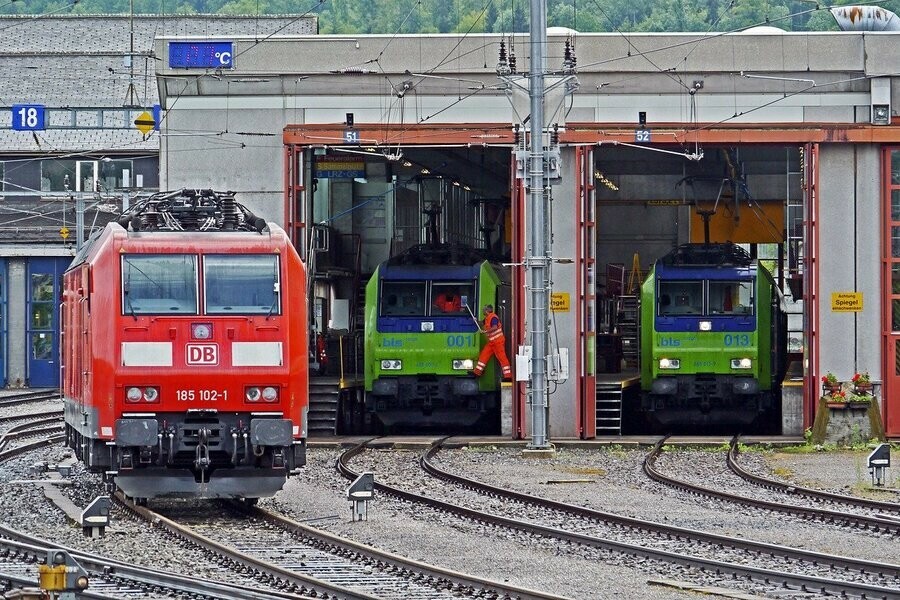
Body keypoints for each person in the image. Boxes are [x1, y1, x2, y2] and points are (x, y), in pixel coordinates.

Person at [472, 304, 512, 380]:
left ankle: (508, 376)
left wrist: (485, 331)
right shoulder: (487, 318)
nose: (483, 311)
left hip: (498, 342)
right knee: (484, 355)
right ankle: (477, 372)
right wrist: (476, 320)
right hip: (492, 342)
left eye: (484, 309)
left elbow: (495, 327)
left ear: (487, 311)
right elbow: (481, 323)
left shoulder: (493, 317)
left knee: (502, 358)